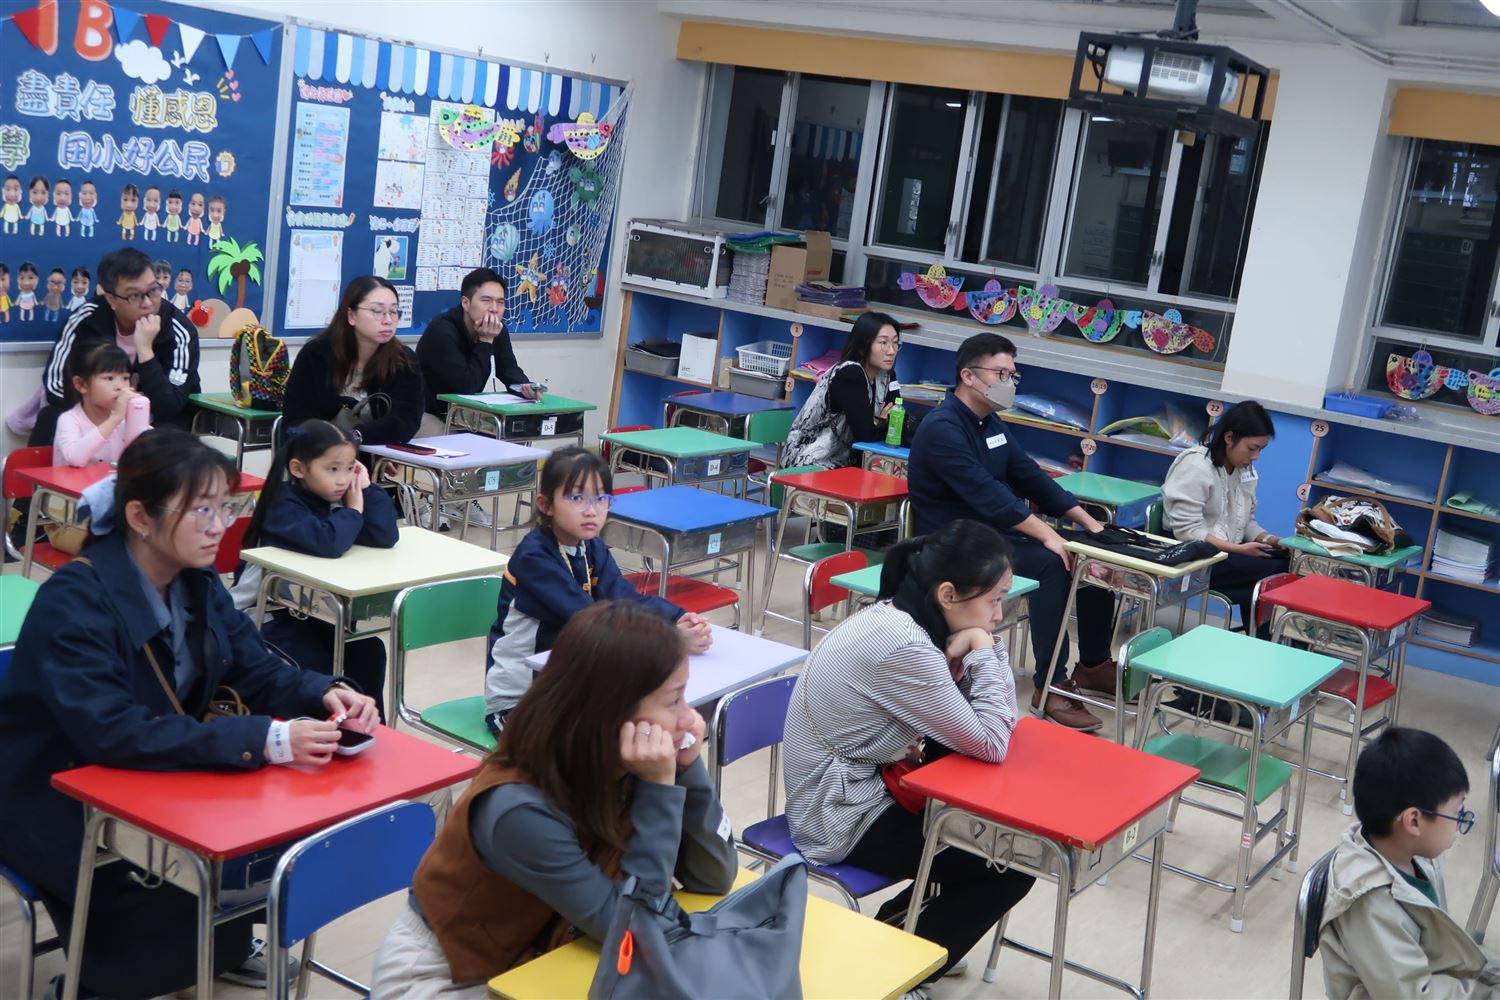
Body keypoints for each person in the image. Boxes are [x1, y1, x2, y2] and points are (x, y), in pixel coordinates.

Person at [0, 430, 378, 1000]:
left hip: (154, 772)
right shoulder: (75, 600)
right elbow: (110, 731)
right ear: (139, 517)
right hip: (52, 793)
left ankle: (217, 945)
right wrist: (267, 738)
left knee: (263, 846)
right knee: (157, 913)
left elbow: (254, 665)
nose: (219, 525)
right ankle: (87, 985)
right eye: (202, 510)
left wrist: (324, 691)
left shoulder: (195, 580)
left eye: (226, 508)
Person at [369, 601, 737, 997]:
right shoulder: (519, 809)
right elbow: (636, 930)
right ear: (612, 713)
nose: (688, 717)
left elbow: (714, 876)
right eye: (673, 701)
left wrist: (687, 768)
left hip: (544, 955)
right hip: (444, 977)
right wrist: (661, 790)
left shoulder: (623, 763)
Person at [782, 519, 1033, 993]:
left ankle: (902, 942)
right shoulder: (905, 645)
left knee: (982, 831)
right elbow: (994, 740)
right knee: (1008, 864)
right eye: (994, 600)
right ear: (948, 595)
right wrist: (984, 647)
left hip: (869, 783)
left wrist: (978, 649)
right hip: (837, 813)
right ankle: (892, 974)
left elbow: (984, 724)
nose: (999, 614)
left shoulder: (905, 618)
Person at [907, 333, 1112, 731]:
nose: (1009, 383)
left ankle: (1094, 664)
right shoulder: (942, 428)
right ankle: (1051, 686)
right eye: (1001, 374)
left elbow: (1029, 476)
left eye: (1013, 376)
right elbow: (990, 496)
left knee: (1090, 552)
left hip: (989, 536)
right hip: (951, 544)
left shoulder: (990, 423)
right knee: (1052, 562)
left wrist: (1089, 523)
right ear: (968, 375)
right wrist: (1047, 535)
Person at [484, 446, 712, 736]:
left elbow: (626, 599)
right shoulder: (534, 557)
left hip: (571, 689)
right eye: (576, 498)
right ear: (546, 504)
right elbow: (589, 621)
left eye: (601, 498)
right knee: (611, 741)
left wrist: (678, 619)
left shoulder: (591, 547)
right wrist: (671, 639)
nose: (591, 510)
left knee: (653, 727)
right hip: (522, 700)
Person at [231, 420, 399, 719]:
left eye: (350, 468)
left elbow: (385, 536)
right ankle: (324, 729)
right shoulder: (283, 504)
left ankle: (369, 729)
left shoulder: (339, 496)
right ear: (299, 469)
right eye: (332, 469)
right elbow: (328, 542)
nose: (343, 479)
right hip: (266, 614)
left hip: (317, 612)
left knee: (369, 650)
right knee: (313, 660)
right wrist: (354, 510)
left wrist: (367, 488)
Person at [1320, 727, 1499, 999]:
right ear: (1413, 821)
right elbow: (1412, 995)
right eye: (1457, 813)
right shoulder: (1370, 903)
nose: (1460, 823)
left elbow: (1438, 951)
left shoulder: (1412, 854)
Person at [32, 247, 200, 448]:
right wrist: (105, 412)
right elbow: (55, 385)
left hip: (155, 418)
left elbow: (171, 405)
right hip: (94, 413)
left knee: (167, 436)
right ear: (111, 299)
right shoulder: (87, 320)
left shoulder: (179, 329)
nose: (148, 303)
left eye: (153, 290)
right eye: (134, 296)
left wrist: (145, 351)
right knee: (51, 417)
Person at [416, 267, 538, 527]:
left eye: (500, 302)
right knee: (462, 444)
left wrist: (524, 386)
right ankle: (433, 500)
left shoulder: (496, 330)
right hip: (423, 414)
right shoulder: (442, 331)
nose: (494, 309)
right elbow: (466, 386)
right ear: (465, 302)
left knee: (496, 435)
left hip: (459, 414)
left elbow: (508, 369)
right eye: (486, 300)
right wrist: (484, 342)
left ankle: (459, 498)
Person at [1162, 400, 1288, 636]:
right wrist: (1239, 550)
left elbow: (1245, 522)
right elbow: (1188, 531)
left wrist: (1270, 540)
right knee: (1272, 575)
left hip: (1225, 552)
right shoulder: (1196, 466)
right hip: (1192, 556)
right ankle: (1265, 642)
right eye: (1252, 448)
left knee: (1286, 563)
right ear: (1229, 438)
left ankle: (1267, 641)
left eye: (1261, 449)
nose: (1256, 456)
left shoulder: (1244, 471)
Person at [282, 275, 425, 446]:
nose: (388, 320)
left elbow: (406, 420)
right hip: (318, 452)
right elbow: (297, 420)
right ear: (351, 316)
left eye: (393, 312)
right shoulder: (315, 355)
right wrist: (335, 447)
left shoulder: (403, 360)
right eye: (377, 311)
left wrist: (357, 436)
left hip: (373, 452)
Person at [782, 311, 901, 470]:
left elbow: (898, 421)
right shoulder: (850, 374)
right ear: (863, 344)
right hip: (811, 464)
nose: (891, 351)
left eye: (895, 343)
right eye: (883, 343)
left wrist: (879, 424)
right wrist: (881, 423)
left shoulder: (886, 374)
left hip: (844, 465)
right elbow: (866, 435)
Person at [52, 343, 151, 467]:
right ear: (81, 385)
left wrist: (138, 415)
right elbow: (75, 459)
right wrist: (115, 418)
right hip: (73, 480)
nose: (120, 387)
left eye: (125, 378)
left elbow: (148, 452)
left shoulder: (123, 420)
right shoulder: (69, 420)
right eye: (109, 378)